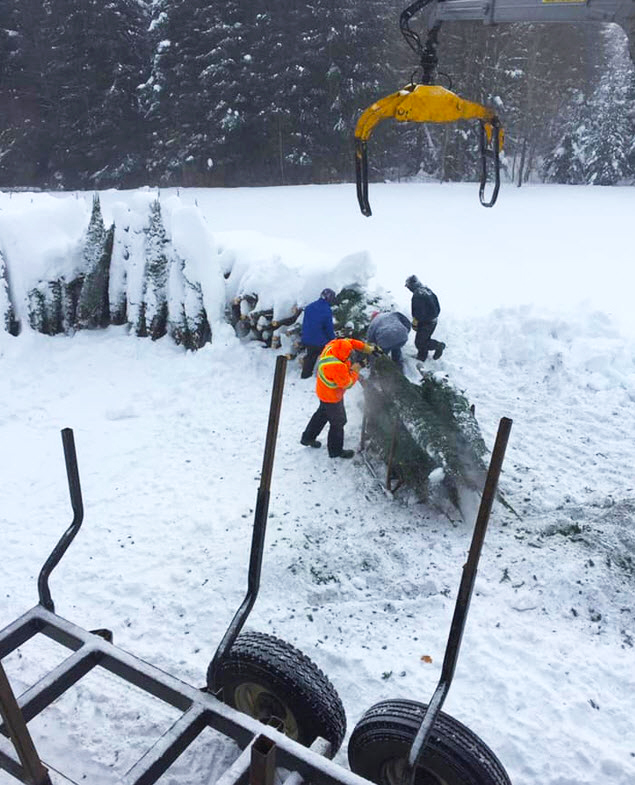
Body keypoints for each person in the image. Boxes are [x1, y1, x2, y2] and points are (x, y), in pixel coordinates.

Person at [301, 337, 377, 459]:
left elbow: (351, 342)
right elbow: (348, 383)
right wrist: (356, 369)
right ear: (343, 357)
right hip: (332, 397)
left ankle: (307, 438)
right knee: (339, 421)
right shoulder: (335, 366)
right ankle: (335, 451)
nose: (350, 357)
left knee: (322, 414)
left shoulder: (334, 345)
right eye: (348, 357)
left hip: (323, 391)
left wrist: (368, 349)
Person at [405, 275, 446, 362]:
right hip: (433, 320)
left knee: (420, 342)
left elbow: (418, 311)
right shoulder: (427, 290)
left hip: (426, 322)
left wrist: (416, 321)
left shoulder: (418, 295)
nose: (408, 289)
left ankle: (438, 346)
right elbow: (437, 305)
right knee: (423, 340)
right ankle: (422, 356)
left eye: (408, 286)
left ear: (412, 285)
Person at [300, 288, 336, 378]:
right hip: (319, 341)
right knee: (327, 353)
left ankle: (305, 375)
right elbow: (328, 328)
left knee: (310, 356)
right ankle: (323, 376)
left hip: (306, 338)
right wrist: (333, 339)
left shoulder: (309, 307)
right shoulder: (327, 310)